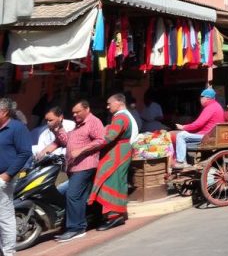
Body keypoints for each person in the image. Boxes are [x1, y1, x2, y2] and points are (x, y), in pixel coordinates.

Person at [43, 100, 104, 243]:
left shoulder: (93, 122)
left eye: (78, 112)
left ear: (87, 109)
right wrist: (58, 130)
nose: (75, 114)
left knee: (72, 194)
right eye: (74, 113)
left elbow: (101, 140)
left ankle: (75, 228)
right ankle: (78, 226)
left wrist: (81, 150)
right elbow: (66, 141)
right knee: (78, 197)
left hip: (85, 165)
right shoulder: (78, 125)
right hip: (74, 167)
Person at [88, 94, 138, 231]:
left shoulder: (121, 117)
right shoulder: (124, 116)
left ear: (119, 102)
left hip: (118, 153)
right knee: (115, 180)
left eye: (110, 103)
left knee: (111, 181)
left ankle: (114, 216)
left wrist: (90, 145)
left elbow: (109, 137)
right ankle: (112, 214)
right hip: (121, 151)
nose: (107, 106)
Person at [0, 97, 32, 252]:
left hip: (4, 178)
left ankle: (8, 251)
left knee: (4, 216)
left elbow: (25, 153)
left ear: (4, 112)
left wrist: (7, 175)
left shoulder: (17, 128)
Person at [172, 88, 225, 169]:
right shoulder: (215, 106)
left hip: (207, 136)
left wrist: (183, 127)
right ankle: (186, 161)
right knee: (183, 136)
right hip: (209, 135)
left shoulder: (210, 108)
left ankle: (181, 162)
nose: (200, 99)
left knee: (181, 135)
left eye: (201, 97)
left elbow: (198, 124)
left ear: (207, 98)